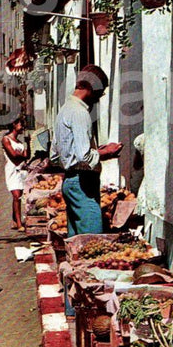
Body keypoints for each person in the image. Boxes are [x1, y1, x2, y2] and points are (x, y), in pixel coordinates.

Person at [51, 64, 123, 236]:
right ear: (92, 88)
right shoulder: (80, 113)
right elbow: (84, 156)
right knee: (91, 242)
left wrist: (96, 151)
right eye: (100, 92)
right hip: (83, 182)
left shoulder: (64, 110)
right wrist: (108, 152)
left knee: (76, 243)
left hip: (70, 181)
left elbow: (55, 155)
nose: (99, 97)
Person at [2, 117, 31, 232]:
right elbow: (13, 155)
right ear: (14, 124)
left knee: (19, 195)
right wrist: (22, 155)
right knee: (16, 195)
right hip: (12, 170)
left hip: (21, 171)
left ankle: (15, 220)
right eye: (20, 124)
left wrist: (27, 143)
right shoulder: (6, 139)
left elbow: (26, 155)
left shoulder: (20, 142)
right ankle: (19, 223)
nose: (22, 127)